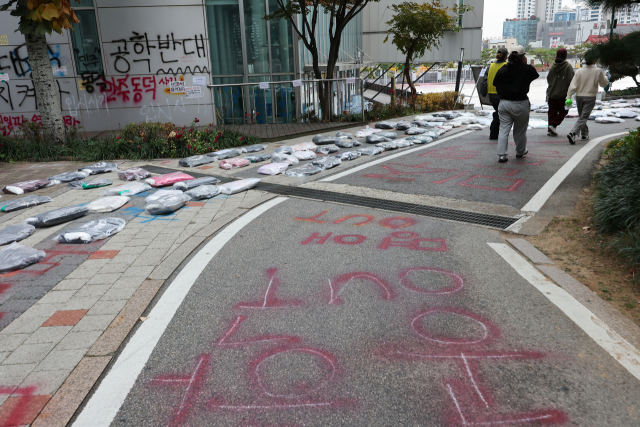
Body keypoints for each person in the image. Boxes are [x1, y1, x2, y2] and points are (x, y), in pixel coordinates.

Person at [492, 45, 539, 163]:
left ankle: (502, 155)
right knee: (520, 131)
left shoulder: (503, 69)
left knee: (503, 130)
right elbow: (535, 75)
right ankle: (520, 151)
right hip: (520, 103)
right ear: (523, 57)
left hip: (503, 103)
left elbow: (495, 83)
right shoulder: (527, 69)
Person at [566, 52, 609, 144]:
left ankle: (584, 134)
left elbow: (573, 85)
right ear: (594, 60)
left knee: (582, 116)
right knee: (584, 117)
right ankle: (573, 133)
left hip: (579, 96)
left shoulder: (579, 71)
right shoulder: (598, 70)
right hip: (590, 96)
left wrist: (568, 96)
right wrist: (605, 77)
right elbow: (603, 84)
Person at [480, 47, 508, 140]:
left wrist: (483, 92)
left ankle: (496, 132)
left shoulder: (490, 66)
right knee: (500, 114)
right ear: (506, 56)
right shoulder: (507, 66)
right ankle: (494, 133)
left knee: (499, 112)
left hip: (492, 95)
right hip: (502, 94)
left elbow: (485, 80)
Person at [546, 48, 574, 136]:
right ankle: (553, 124)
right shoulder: (568, 66)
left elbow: (548, 78)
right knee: (564, 111)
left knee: (552, 112)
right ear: (566, 56)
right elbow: (571, 80)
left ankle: (551, 128)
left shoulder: (553, 66)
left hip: (551, 93)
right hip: (563, 94)